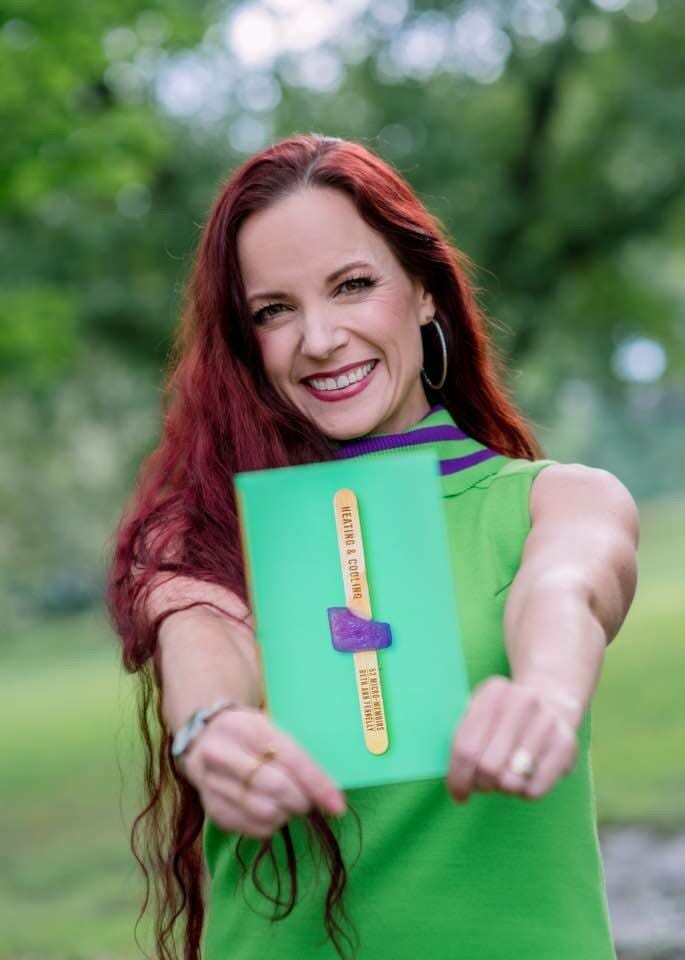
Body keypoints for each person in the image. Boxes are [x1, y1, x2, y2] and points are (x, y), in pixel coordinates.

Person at [107, 132, 639, 960]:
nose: (319, 338)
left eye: (351, 286)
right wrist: (209, 726)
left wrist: (546, 694)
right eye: (273, 311)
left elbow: (562, 588)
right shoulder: (203, 529)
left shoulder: (561, 499)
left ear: (423, 291)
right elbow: (203, 635)